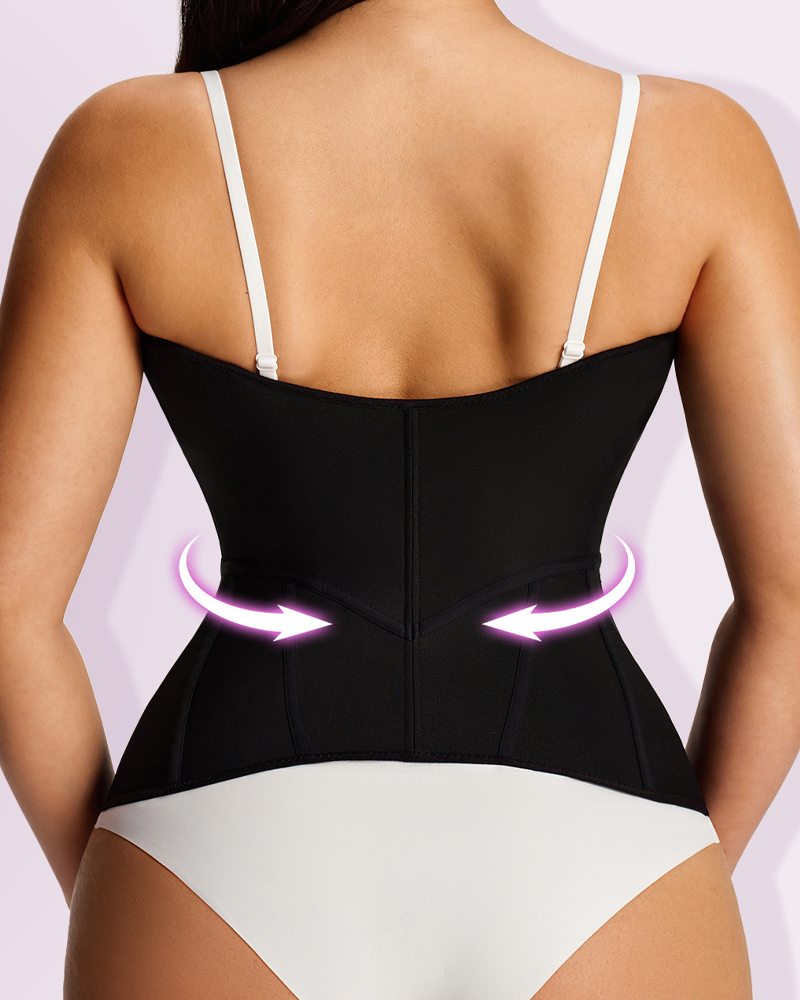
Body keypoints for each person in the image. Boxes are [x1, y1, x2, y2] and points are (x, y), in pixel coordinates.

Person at [1, 0, 798, 996]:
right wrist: (671, 863)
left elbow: (8, 613)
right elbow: (791, 604)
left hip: (216, 843)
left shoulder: (128, 147)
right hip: (601, 842)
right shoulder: (691, 150)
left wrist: (127, 883)